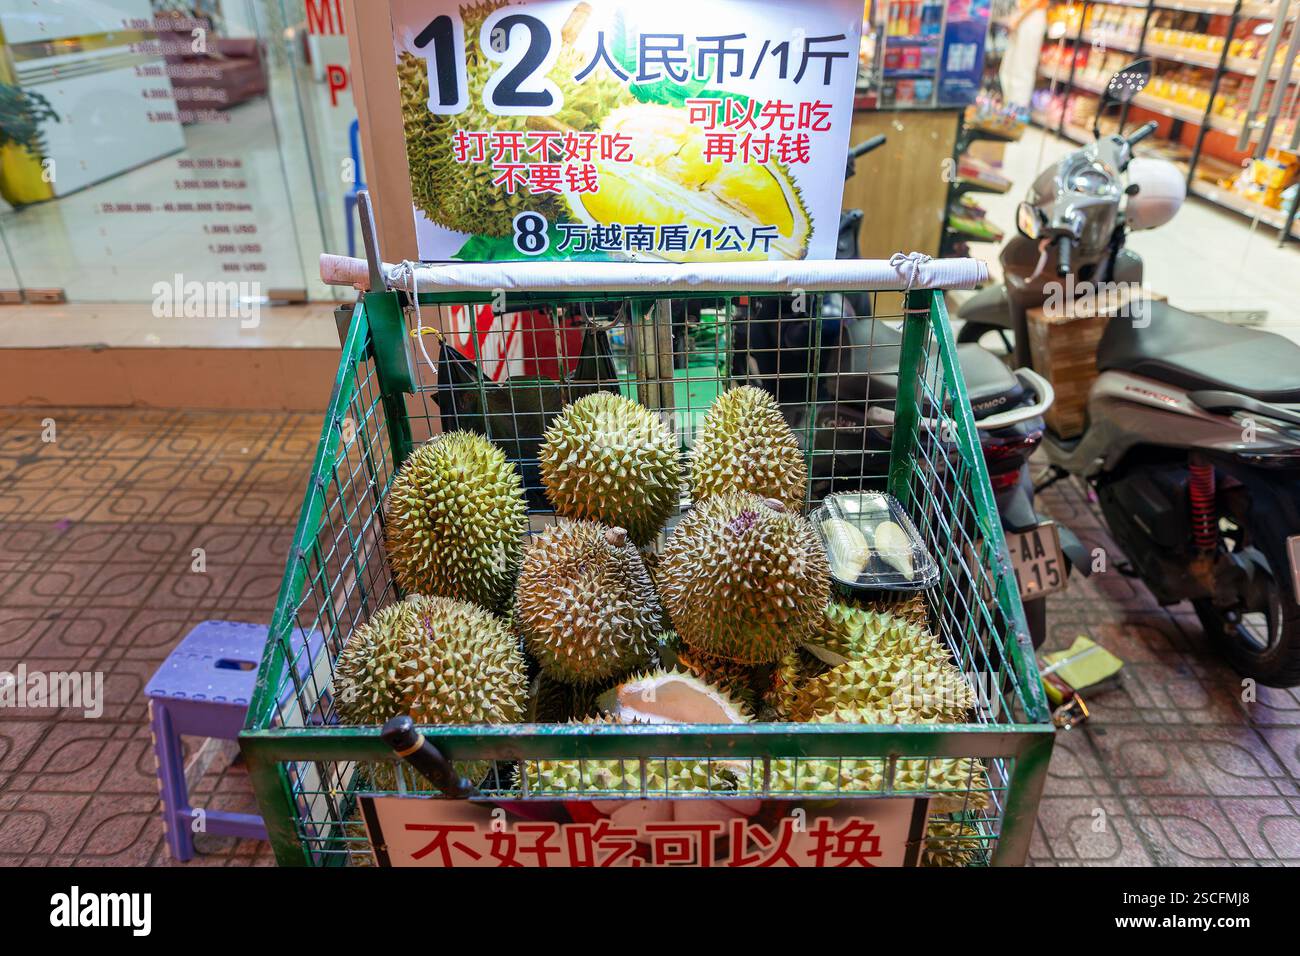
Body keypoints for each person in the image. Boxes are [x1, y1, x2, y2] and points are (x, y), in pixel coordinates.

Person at [999, 0, 1048, 109]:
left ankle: (1017, 111)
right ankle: (1009, 108)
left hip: (1031, 15)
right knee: (1008, 68)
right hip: (1021, 14)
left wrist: (1018, 18)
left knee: (1022, 68)